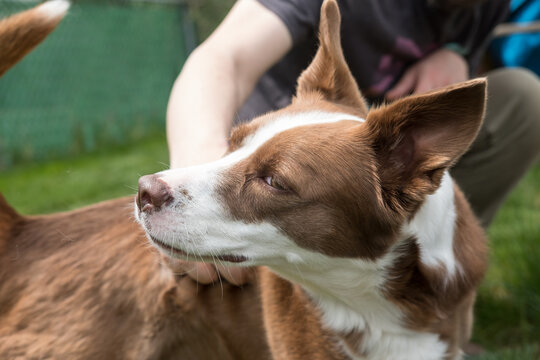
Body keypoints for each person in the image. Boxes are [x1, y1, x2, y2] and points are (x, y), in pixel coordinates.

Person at [166, 0, 540, 284]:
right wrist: (193, 175)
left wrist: (455, 53)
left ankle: (426, 278)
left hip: (377, 167)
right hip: (275, 169)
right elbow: (223, 57)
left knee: (524, 98)